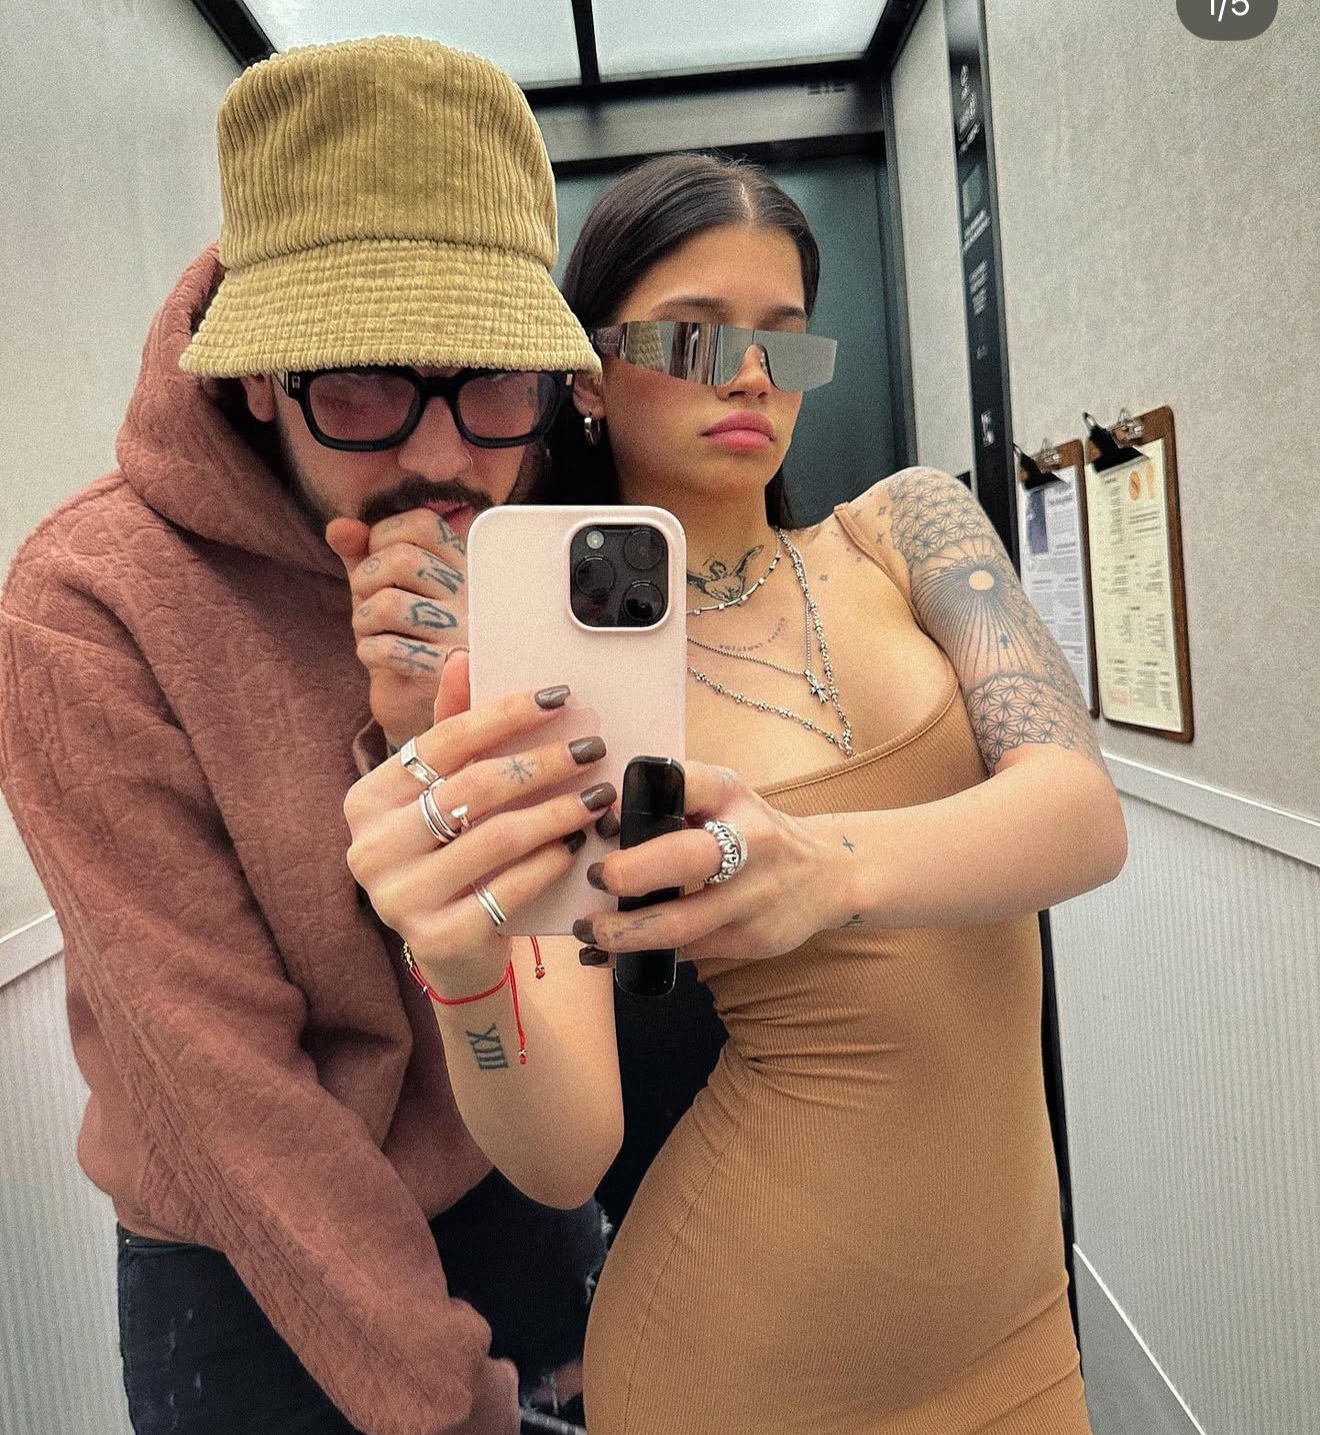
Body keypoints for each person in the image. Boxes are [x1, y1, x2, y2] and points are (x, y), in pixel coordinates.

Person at [342, 153, 1128, 1434]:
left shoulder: (909, 529)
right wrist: (466, 965)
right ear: (588, 373)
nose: (752, 374)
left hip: (1022, 1326)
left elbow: (1082, 814)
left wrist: (821, 873)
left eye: (782, 338)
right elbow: (566, 1152)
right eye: (695, 337)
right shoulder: (557, 676)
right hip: (742, 1357)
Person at [0, 37, 612, 1435]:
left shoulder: (518, 550)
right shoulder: (87, 601)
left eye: (494, 383)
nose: (444, 454)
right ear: (262, 374)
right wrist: (446, 1396)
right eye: (363, 385)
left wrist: (422, 739)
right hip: (245, 1267)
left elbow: (553, 942)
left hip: (514, 1184)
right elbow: (224, 1094)